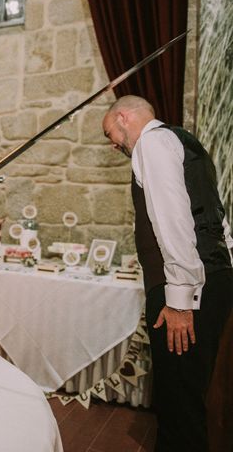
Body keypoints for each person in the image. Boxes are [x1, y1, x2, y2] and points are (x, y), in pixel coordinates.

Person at [102, 95, 233, 451]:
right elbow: (216, 218)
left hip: (186, 289)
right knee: (195, 391)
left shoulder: (153, 143)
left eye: (109, 132)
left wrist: (179, 300)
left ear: (124, 117)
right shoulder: (190, 144)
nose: (113, 144)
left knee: (179, 401)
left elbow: (173, 221)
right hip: (215, 279)